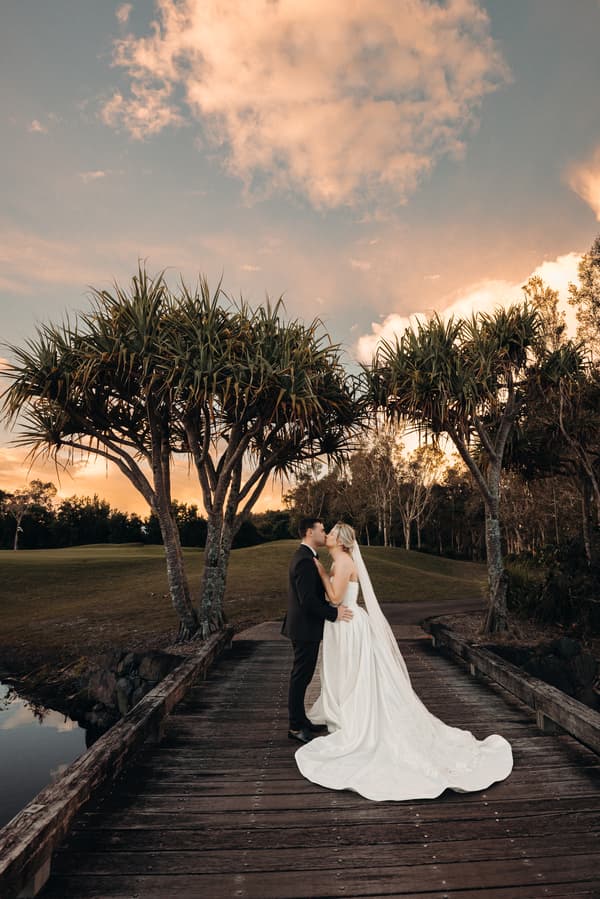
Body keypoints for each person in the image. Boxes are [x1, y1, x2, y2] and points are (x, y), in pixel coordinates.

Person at [294, 521, 514, 801]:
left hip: (348, 625)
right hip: (343, 625)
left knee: (353, 673)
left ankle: (353, 715)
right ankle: (345, 710)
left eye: (333, 533)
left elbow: (336, 598)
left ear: (343, 541)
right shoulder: (341, 560)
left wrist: (323, 574)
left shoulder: (342, 562)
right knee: (347, 673)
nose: (329, 535)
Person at [282, 516, 353, 744]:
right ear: (309, 533)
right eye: (322, 530)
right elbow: (308, 601)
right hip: (304, 628)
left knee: (303, 675)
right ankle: (295, 725)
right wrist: (334, 614)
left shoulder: (308, 557)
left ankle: (301, 719)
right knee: (300, 676)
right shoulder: (304, 560)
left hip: (305, 627)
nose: (325, 534)